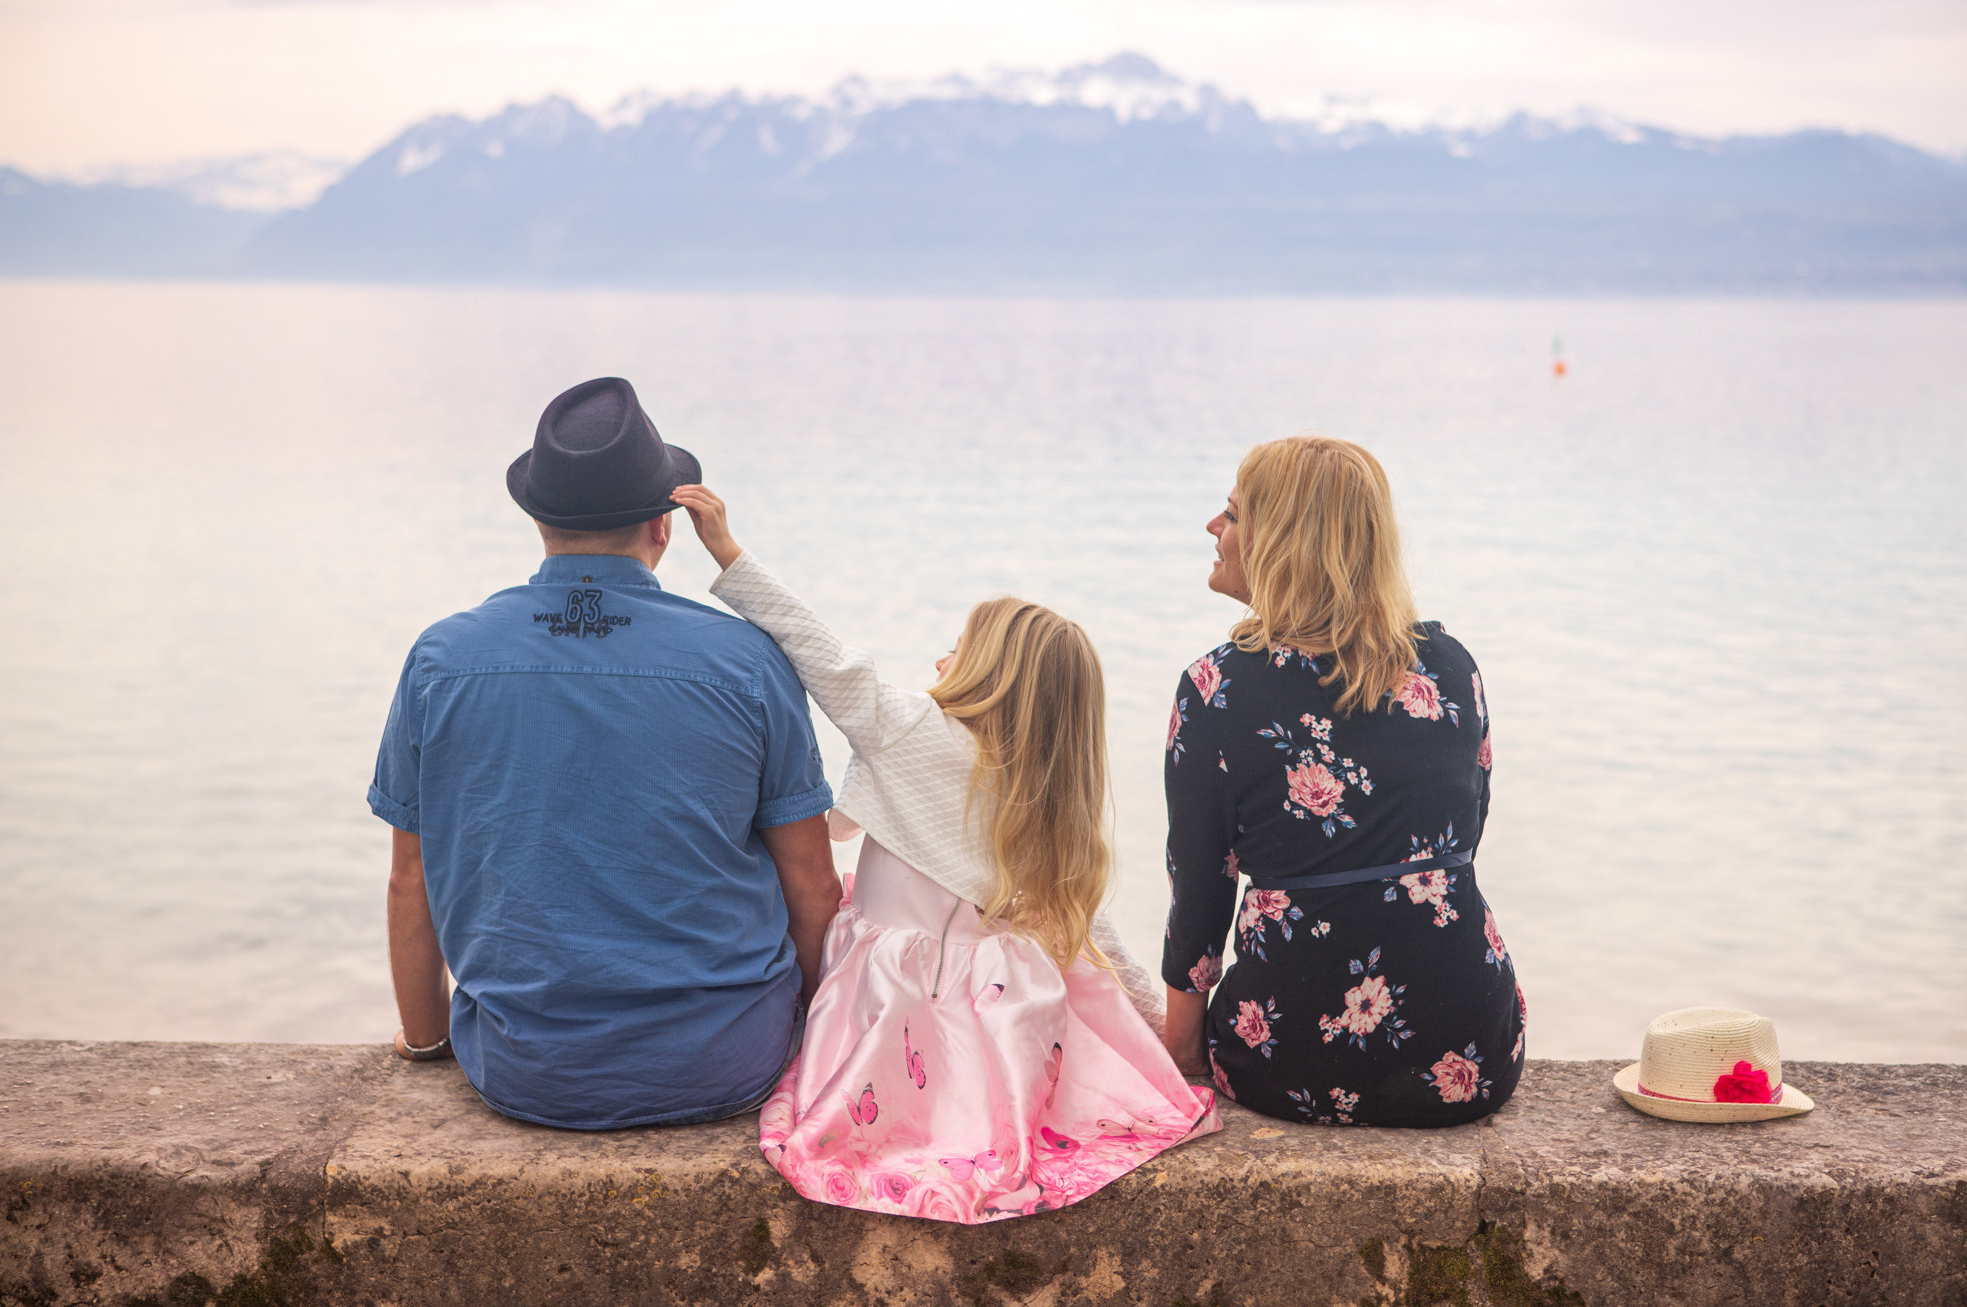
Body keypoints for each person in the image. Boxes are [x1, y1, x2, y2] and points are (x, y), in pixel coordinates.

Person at [670, 483, 1219, 1224]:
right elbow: (1096, 936)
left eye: (961, 646)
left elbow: (821, 652)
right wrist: (1162, 1028)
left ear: (987, 671)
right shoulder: (1046, 792)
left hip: (894, 1005)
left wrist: (729, 552)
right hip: (1002, 1014)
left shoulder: (905, 729)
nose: (943, 654)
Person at [367, 377, 842, 1130]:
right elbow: (813, 884)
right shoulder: (747, 662)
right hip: (729, 1059)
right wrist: (822, 1035)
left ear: (538, 521)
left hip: (525, 1072)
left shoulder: (443, 659)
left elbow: (410, 875)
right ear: (664, 525)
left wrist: (426, 1041)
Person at [1160, 435, 1523, 1127]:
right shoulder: (1450, 667)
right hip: (1472, 1054)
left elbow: (1201, 886)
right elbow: (1465, 833)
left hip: (1287, 1059)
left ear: (1283, 542)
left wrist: (1181, 1044)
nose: (1215, 527)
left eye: (1232, 514)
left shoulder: (1215, 690)